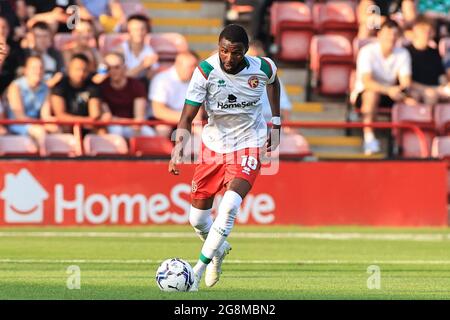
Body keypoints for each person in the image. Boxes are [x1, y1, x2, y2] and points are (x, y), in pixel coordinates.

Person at [168, 24, 281, 291]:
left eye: (236, 53)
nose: (229, 58)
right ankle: (219, 249)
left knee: (230, 206)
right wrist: (178, 148)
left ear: (246, 51)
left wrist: (275, 121)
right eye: (224, 51)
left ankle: (197, 270)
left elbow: (274, 82)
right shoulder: (205, 72)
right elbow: (187, 115)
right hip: (213, 147)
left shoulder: (262, 68)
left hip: (249, 144)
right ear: (218, 48)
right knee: (197, 220)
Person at [351, 20, 412, 155]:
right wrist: (389, 90)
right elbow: (367, 82)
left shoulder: (403, 53)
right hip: (366, 94)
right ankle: (369, 137)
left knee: (413, 100)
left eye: (394, 35)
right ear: (379, 35)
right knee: (371, 94)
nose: (391, 38)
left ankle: (402, 144)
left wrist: (401, 92)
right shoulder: (367, 51)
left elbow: (405, 82)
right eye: (388, 34)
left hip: (391, 94)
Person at [100, 52, 155, 138]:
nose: (112, 71)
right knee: (116, 129)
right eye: (108, 68)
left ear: (124, 67)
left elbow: (139, 119)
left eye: (116, 67)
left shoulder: (136, 85)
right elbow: (108, 116)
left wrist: (122, 121)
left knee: (149, 134)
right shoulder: (102, 87)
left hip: (132, 126)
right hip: (113, 126)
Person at [6, 54, 57, 144]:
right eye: (34, 68)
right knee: (40, 132)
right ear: (26, 70)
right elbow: (19, 116)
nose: (38, 71)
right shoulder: (15, 87)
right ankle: (44, 157)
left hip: (38, 124)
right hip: (18, 124)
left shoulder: (46, 88)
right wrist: (41, 124)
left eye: (41, 68)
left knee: (56, 129)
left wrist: (51, 123)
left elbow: (45, 115)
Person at [149, 51, 200, 137]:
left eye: (196, 66)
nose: (194, 70)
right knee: (163, 129)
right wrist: (187, 118)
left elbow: (198, 111)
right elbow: (158, 111)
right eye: (191, 66)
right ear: (178, 65)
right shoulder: (161, 79)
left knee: (200, 129)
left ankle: (197, 150)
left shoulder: (196, 81)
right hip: (164, 121)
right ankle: (163, 150)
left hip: (186, 120)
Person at [50, 53, 102, 134]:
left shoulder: (92, 86)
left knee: (101, 131)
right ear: (69, 69)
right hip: (67, 127)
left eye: (84, 70)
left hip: (87, 128)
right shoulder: (60, 85)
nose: (81, 73)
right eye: (77, 69)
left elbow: (94, 115)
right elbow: (60, 115)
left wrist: (87, 122)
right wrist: (84, 121)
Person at [406, 15, 448, 105]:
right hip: (416, 90)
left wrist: (445, 86)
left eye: (429, 31)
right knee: (430, 94)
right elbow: (407, 81)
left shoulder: (434, 53)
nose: (426, 34)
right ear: (415, 30)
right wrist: (431, 89)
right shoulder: (406, 52)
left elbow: (441, 76)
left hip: (435, 88)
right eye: (423, 30)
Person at [115, 14, 158, 85]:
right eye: (135, 29)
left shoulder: (150, 50)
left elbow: (151, 77)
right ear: (129, 31)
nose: (139, 33)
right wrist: (143, 66)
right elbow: (120, 77)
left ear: (147, 31)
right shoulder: (120, 50)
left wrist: (150, 70)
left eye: (142, 29)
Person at [24, 21, 65, 87]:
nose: (42, 40)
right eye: (38, 36)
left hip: (51, 90)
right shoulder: (24, 54)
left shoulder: (55, 54)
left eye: (45, 36)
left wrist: (48, 85)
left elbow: (60, 73)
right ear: (31, 37)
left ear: (50, 38)